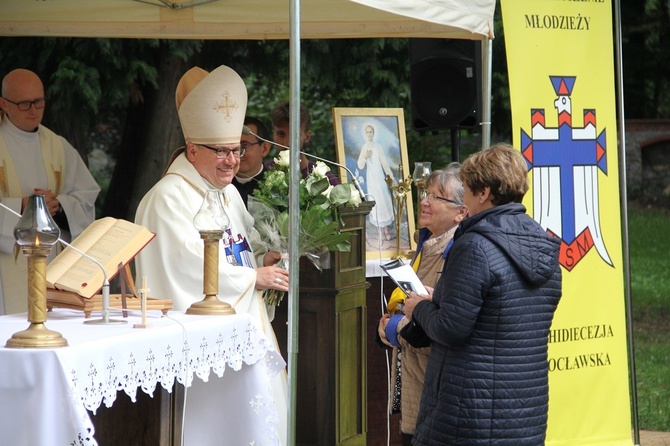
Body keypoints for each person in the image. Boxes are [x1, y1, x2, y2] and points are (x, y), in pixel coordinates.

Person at [134, 65, 288, 444]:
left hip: (246, 334)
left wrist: (260, 262)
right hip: (202, 349)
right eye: (221, 151)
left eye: (236, 150)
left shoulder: (228, 193)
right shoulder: (167, 198)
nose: (232, 161)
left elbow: (238, 252)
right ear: (191, 149)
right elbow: (182, 269)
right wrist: (253, 278)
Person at [404, 143, 563, 445]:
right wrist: (440, 299)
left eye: (466, 189)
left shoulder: (475, 245)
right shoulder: (542, 245)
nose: (463, 197)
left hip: (469, 412)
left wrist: (419, 309)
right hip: (524, 410)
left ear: (484, 193)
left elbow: (450, 329)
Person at [377, 164, 467, 446]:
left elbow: (442, 324)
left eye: (436, 197)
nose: (424, 201)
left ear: (461, 212)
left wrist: (393, 329)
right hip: (416, 384)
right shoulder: (427, 244)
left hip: (436, 392)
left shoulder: (458, 252)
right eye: (426, 193)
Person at [0, 68, 100, 315]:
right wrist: (23, 207)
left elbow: (86, 197)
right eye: (24, 104)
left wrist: (59, 206)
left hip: (51, 261)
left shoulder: (57, 146)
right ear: (3, 104)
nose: (34, 110)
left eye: (39, 101)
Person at [267, 101, 339, 185]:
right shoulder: (264, 172)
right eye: (281, 134)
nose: (287, 143)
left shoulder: (324, 179)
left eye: (294, 135)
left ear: (307, 136)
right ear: (273, 134)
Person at [356, 123, 395, 240]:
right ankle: (379, 233)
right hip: (371, 178)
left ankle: (386, 230)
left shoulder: (378, 147)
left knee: (383, 201)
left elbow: (384, 162)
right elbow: (360, 165)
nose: (369, 134)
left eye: (371, 132)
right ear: (365, 134)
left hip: (379, 178)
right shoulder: (364, 147)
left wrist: (390, 175)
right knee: (375, 202)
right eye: (367, 132)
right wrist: (365, 156)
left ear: (374, 134)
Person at [232, 116, 272, 206]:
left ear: (264, 149)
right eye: (233, 146)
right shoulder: (219, 185)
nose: (237, 153)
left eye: (244, 145)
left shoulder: (277, 188)